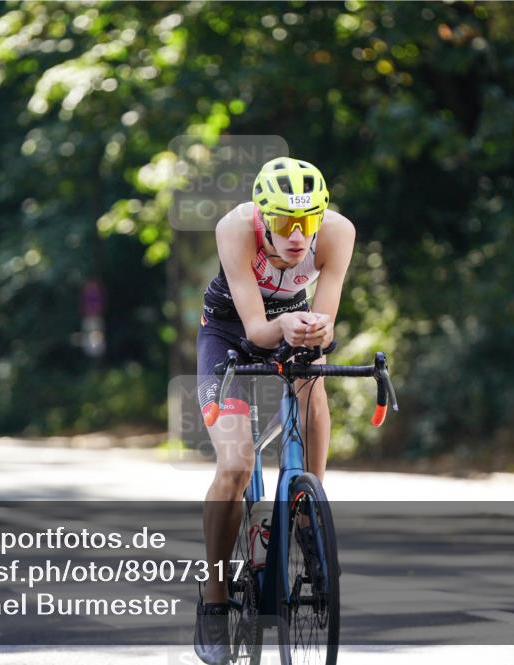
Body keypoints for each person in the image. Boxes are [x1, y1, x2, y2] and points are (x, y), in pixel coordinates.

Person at [193, 157, 356, 664]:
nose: (297, 236)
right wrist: (288, 328)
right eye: (284, 222)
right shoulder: (234, 228)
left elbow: (325, 320)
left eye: (307, 223)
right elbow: (256, 329)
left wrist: (316, 332)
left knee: (313, 381)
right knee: (237, 465)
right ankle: (216, 602)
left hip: (292, 325)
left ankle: (308, 508)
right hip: (230, 334)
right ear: (262, 217)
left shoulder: (337, 233)